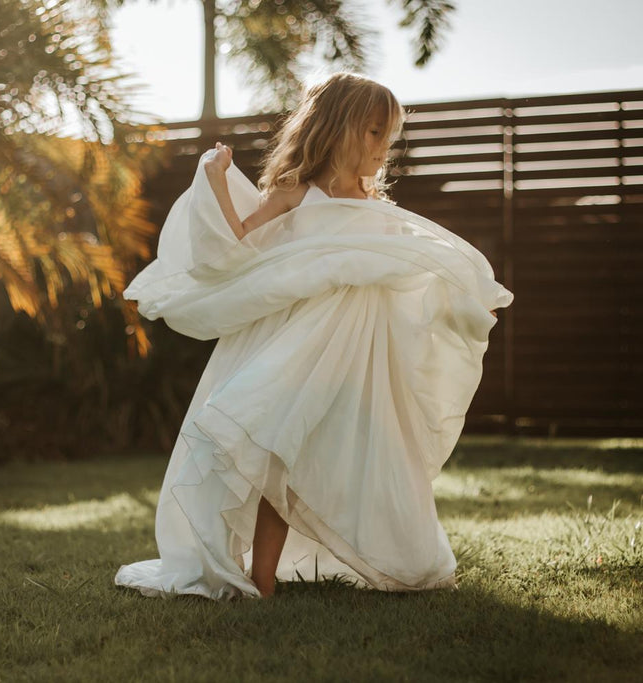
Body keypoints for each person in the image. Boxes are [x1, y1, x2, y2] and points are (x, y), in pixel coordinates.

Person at [114, 71, 513, 600]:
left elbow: (409, 271)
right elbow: (237, 240)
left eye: (387, 136)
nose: (381, 147)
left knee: (346, 455)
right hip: (300, 347)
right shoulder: (295, 191)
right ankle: (260, 581)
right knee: (278, 449)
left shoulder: (377, 209)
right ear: (338, 127)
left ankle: (371, 551)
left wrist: (461, 295)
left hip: (358, 357)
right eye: (373, 132)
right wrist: (214, 178)